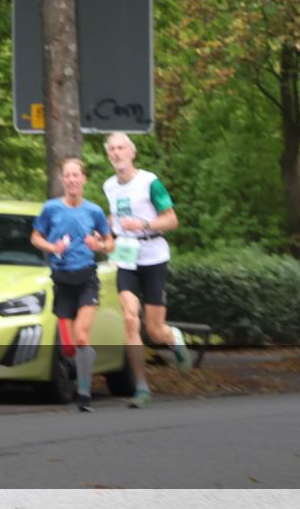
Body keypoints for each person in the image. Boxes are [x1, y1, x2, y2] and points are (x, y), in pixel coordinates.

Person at [102, 132, 191, 409]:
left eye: (121, 148)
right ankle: (141, 386)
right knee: (130, 319)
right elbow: (115, 220)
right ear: (108, 155)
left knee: (154, 330)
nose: (117, 153)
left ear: (132, 153)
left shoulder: (150, 182)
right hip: (126, 256)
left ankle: (173, 338)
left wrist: (143, 224)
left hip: (153, 255)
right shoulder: (109, 186)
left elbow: (172, 220)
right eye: (112, 149)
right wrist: (105, 235)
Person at [31, 158, 115, 413]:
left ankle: (84, 393)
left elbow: (110, 243)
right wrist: (52, 247)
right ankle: (85, 360)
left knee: (81, 336)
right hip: (62, 280)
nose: (71, 180)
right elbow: (35, 237)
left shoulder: (94, 211)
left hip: (87, 279)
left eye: (76, 175)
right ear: (62, 179)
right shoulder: (51, 208)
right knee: (68, 347)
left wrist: (98, 246)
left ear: (84, 179)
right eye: (67, 175)